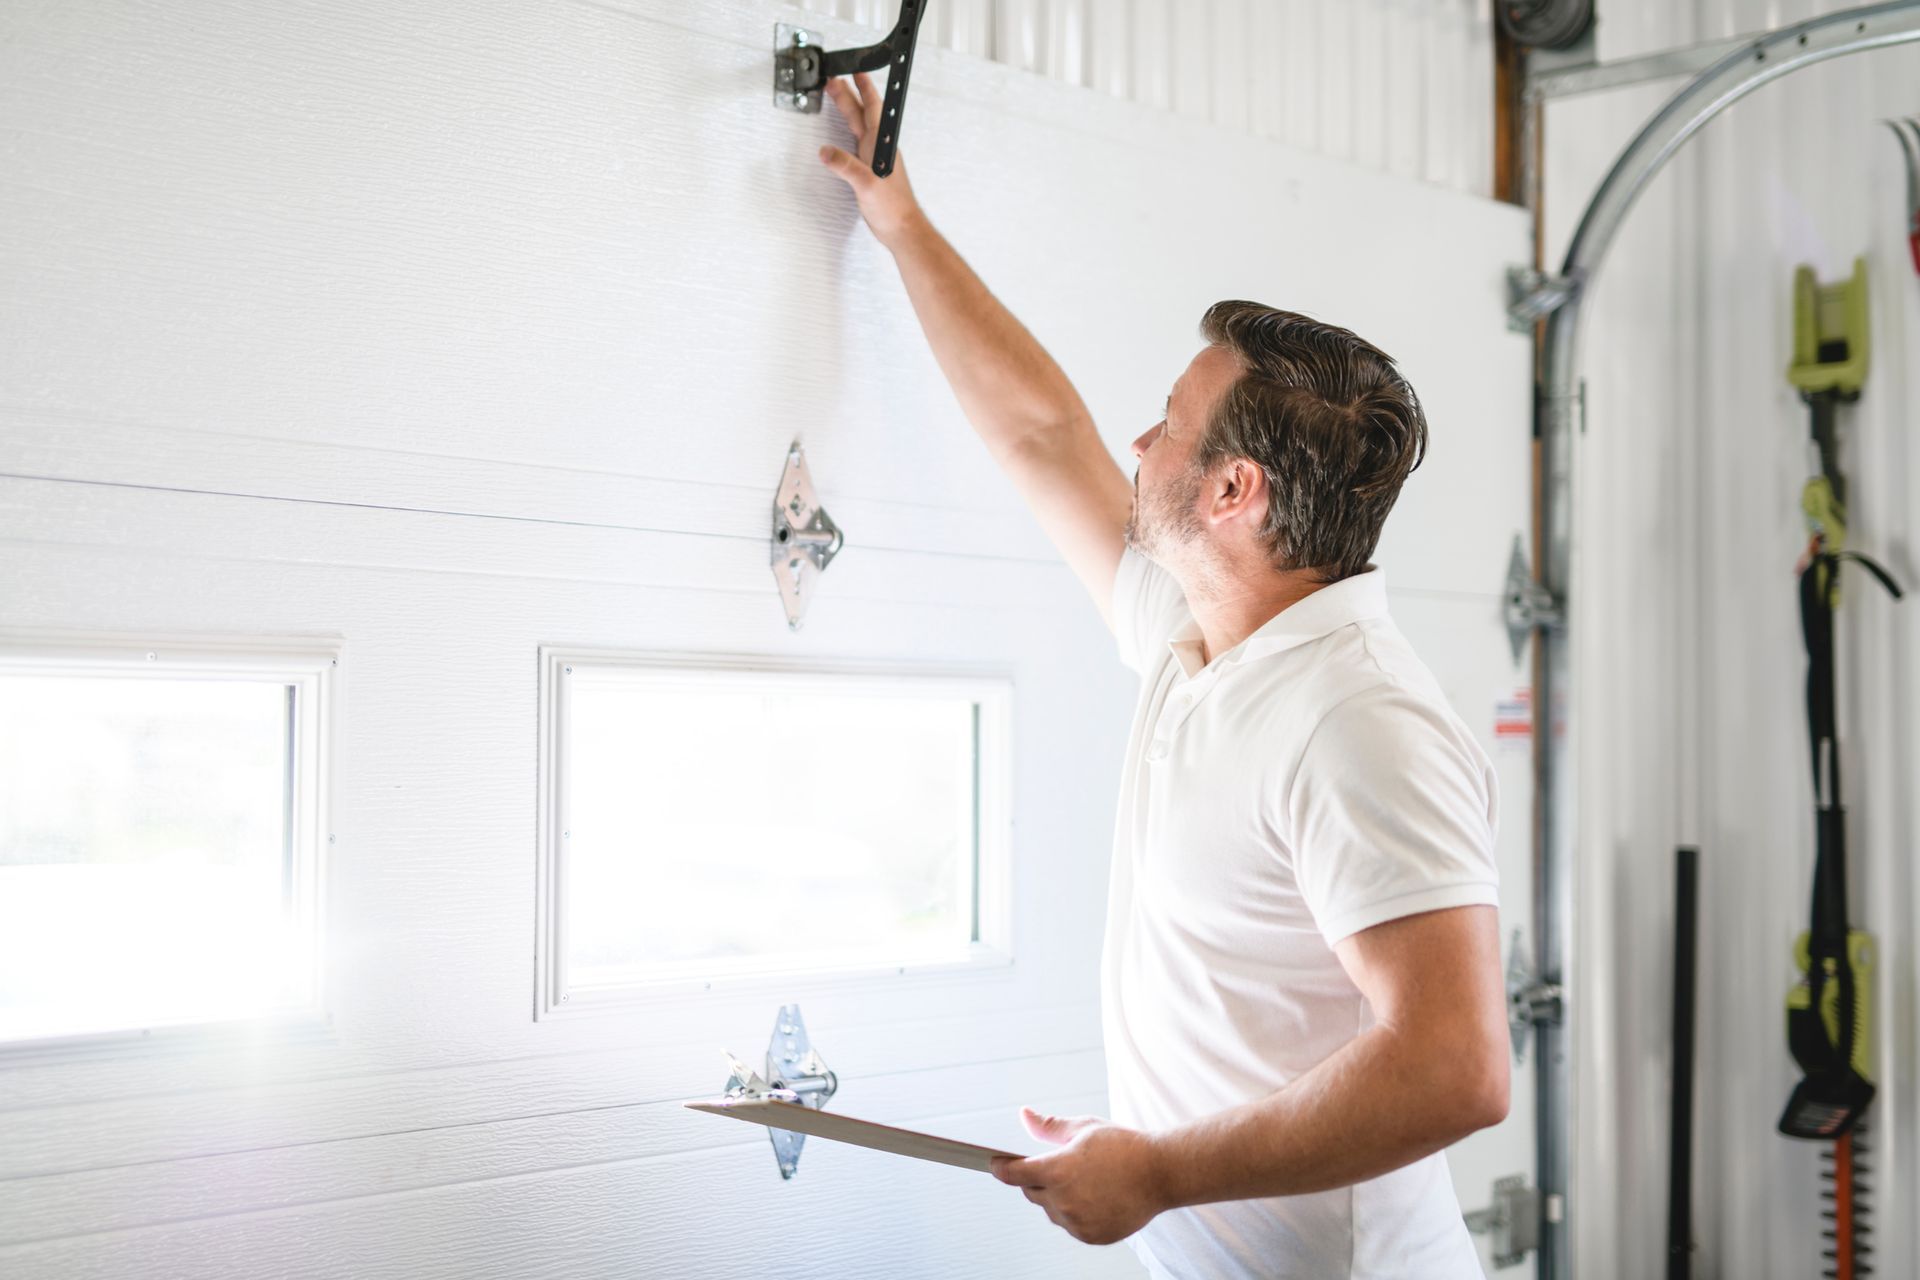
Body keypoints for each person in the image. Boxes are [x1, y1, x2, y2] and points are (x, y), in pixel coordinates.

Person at [818, 72, 1510, 1280]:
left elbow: (1458, 1064)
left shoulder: (1358, 721)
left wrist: (1163, 1170)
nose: (1140, 444)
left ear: (1233, 491)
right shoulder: (1199, 636)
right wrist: (902, 223)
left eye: (1170, 423)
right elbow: (1044, 435)